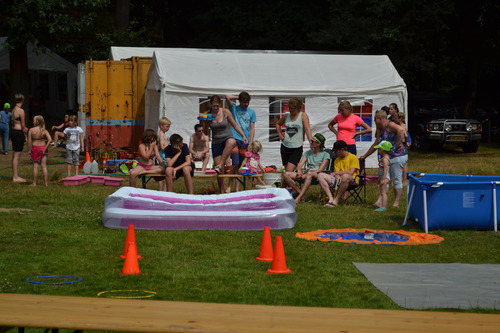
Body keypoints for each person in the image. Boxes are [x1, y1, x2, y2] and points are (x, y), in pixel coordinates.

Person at [360, 109, 406, 208]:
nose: (374, 120)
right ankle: (380, 201)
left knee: (396, 178)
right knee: (383, 179)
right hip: (384, 156)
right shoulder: (380, 128)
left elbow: (401, 130)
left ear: (380, 119)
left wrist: (398, 144)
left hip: (397, 156)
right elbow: (376, 143)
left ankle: (396, 203)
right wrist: (365, 155)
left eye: (375, 118)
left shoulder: (390, 125)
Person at [207, 95, 247, 193]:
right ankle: (222, 192)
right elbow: (205, 130)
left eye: (217, 106)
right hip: (216, 141)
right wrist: (205, 123)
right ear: (211, 105)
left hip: (226, 138)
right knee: (219, 172)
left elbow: (235, 125)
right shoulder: (207, 114)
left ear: (219, 104)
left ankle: (221, 164)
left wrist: (243, 135)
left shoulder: (225, 112)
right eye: (214, 106)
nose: (215, 108)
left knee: (232, 141)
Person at [283, 133, 330, 204]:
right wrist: (299, 171)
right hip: (306, 173)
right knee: (286, 174)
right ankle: (302, 194)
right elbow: (299, 165)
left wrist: (306, 175)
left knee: (309, 174)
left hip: (317, 175)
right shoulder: (308, 153)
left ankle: (299, 197)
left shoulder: (325, 154)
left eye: (312, 141)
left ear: (318, 144)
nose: (310, 142)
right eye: (310, 140)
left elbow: (320, 169)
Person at [225, 92, 256, 192]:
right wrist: (239, 97)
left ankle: (237, 188)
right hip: (235, 138)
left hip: (245, 141)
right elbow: (227, 97)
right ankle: (229, 185)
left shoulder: (252, 112)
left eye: (248, 102)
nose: (246, 104)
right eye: (244, 102)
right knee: (235, 163)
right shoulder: (234, 109)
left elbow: (252, 128)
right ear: (240, 101)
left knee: (241, 166)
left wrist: (251, 141)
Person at [317, 140, 360, 208]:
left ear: (342, 149)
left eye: (336, 151)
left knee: (345, 176)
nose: (335, 153)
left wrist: (338, 173)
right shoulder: (337, 160)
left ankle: (336, 200)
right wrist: (337, 176)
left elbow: (351, 172)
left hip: (351, 180)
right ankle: (330, 198)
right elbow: (336, 172)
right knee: (320, 175)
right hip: (339, 180)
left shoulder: (353, 157)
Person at [275, 98, 313, 172]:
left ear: (298, 108)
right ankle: (286, 184)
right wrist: (280, 134)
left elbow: (307, 129)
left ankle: (287, 184)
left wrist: (310, 141)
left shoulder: (303, 116)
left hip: (296, 147)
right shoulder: (286, 116)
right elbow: (277, 124)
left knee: (289, 171)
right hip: (285, 146)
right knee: (287, 171)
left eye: (292, 108)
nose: (290, 110)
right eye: (289, 108)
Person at [27, 115, 52, 186]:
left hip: (35, 148)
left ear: (36, 121)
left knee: (35, 166)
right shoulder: (44, 130)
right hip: (43, 148)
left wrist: (28, 150)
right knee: (44, 166)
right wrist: (46, 148)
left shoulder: (31, 130)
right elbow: (50, 140)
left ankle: (34, 183)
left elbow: (29, 141)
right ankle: (46, 183)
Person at [11, 93, 28, 182]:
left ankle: (14, 175)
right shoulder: (21, 111)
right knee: (17, 156)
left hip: (13, 132)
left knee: (14, 155)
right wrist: (26, 136)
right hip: (18, 133)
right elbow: (23, 126)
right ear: (22, 100)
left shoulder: (13, 110)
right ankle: (15, 177)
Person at [373, 140, 392, 212]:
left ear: (383, 150)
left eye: (379, 148)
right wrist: (379, 178)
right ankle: (381, 205)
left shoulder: (385, 159)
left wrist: (383, 179)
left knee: (383, 193)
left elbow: (385, 170)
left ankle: (383, 207)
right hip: (383, 177)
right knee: (382, 192)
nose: (378, 150)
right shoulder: (384, 158)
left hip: (385, 178)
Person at [393, 111, 411, 186]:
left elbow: (406, 135)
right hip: (403, 144)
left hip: (401, 144)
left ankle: (404, 181)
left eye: (396, 118)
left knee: (401, 163)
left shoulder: (402, 126)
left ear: (400, 119)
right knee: (403, 163)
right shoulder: (403, 125)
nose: (394, 119)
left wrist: (405, 142)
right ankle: (403, 180)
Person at [157, 116, 171, 190]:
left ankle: (162, 190)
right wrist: (169, 143)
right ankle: (164, 190)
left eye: (169, 127)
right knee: (166, 172)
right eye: (167, 126)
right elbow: (162, 147)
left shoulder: (163, 133)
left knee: (163, 173)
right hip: (163, 154)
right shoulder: (161, 134)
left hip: (162, 154)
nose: (168, 128)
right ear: (161, 126)